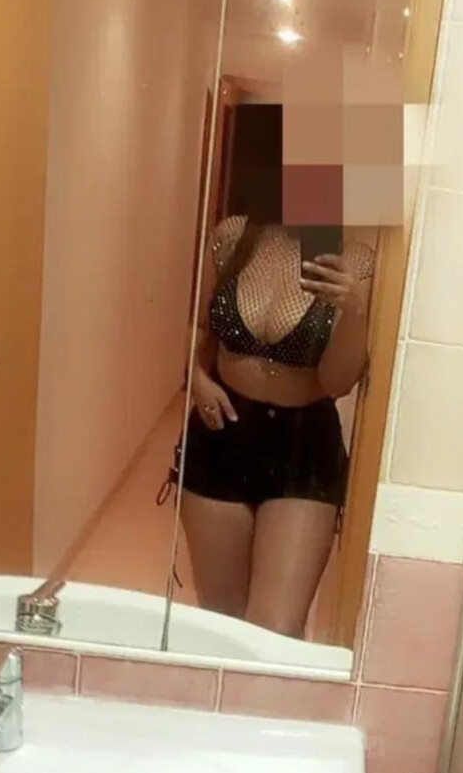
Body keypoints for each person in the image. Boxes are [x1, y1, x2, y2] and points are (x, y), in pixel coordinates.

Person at [178, 212, 374, 638]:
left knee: (277, 630)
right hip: (222, 432)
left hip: (303, 447)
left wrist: (354, 310)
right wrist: (195, 378)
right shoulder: (233, 236)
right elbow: (196, 325)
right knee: (220, 622)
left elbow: (337, 383)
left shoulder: (356, 260)